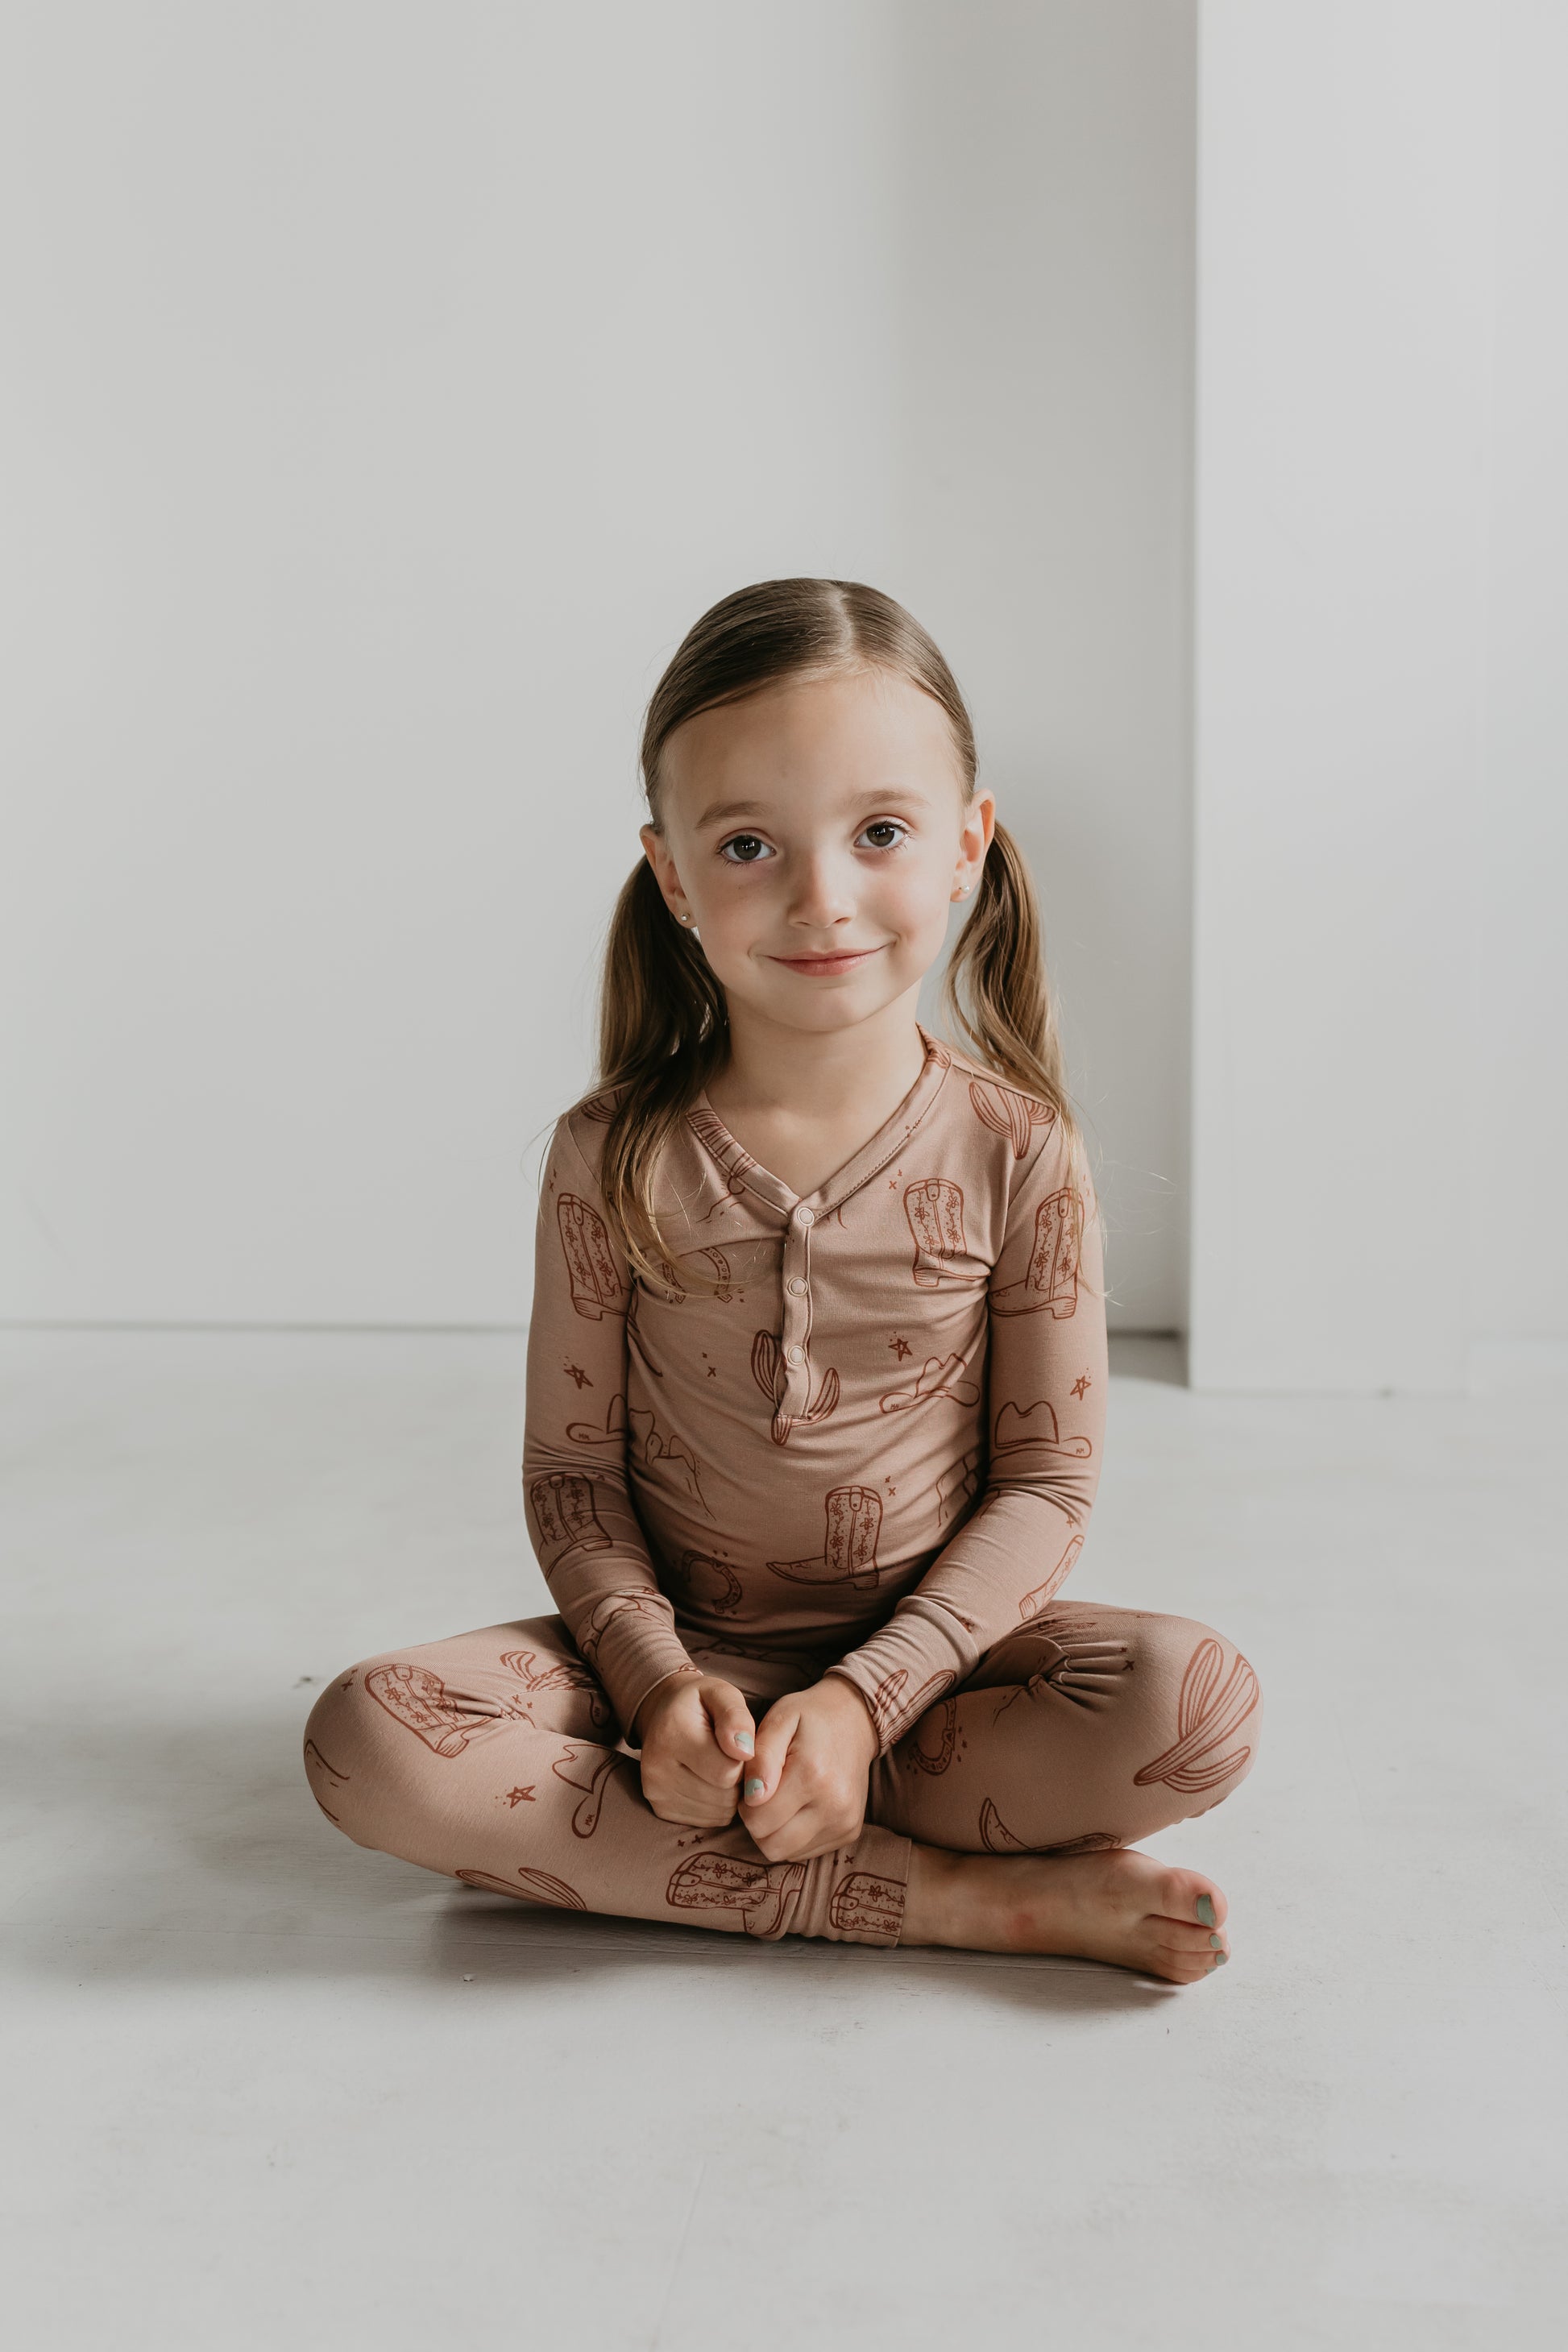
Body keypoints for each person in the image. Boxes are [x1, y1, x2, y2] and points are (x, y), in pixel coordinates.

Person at [303, 578, 1261, 1981]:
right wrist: (654, 1685)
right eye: (748, 843)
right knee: (367, 1736)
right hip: (674, 1683)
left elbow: (1046, 1486)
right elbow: (574, 1477)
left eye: (879, 831)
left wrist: (868, 1700)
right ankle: (949, 1897)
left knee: (1196, 1700)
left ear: (964, 847)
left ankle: (728, 1840)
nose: (820, 896)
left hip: (930, 1683)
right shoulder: (608, 1155)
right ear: (673, 876)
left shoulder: (1020, 1151)